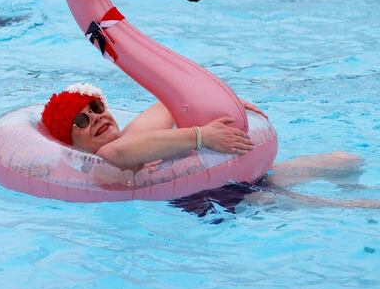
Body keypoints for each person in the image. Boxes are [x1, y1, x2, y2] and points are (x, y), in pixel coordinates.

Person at [41, 83, 380, 216]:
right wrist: (201, 136)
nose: (95, 119)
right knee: (348, 208)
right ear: (73, 143)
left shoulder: (133, 132)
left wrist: (228, 105)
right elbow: (117, 155)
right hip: (209, 202)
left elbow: (173, 100)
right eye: (81, 122)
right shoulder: (101, 161)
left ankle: (355, 189)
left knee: (345, 160)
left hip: (235, 179)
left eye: (95, 109)